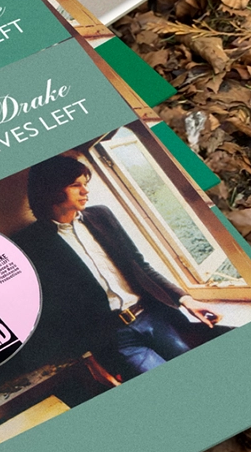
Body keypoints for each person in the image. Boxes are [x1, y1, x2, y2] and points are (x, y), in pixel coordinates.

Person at [14, 154, 218, 380]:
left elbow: (140, 266)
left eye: (85, 184)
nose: (85, 191)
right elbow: (55, 312)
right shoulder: (31, 244)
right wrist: (88, 360)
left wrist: (186, 299)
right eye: (75, 185)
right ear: (51, 190)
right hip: (113, 337)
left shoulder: (101, 215)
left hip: (152, 316)